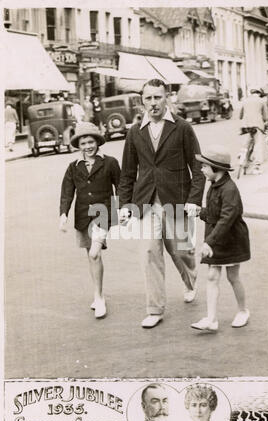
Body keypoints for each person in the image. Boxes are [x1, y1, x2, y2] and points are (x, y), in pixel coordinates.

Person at [117, 78, 205, 329]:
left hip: (177, 199)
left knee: (181, 250)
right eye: (148, 98)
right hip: (145, 201)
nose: (153, 103)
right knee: (148, 252)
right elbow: (127, 172)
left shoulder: (183, 128)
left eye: (157, 97)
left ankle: (190, 280)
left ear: (167, 98)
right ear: (141, 101)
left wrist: (194, 200)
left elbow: (197, 167)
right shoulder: (135, 132)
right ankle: (155, 309)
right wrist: (125, 204)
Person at [59, 122, 121, 318]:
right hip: (83, 216)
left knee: (94, 253)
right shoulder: (73, 167)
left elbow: (121, 187)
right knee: (92, 256)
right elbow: (67, 192)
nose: (88, 146)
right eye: (83, 143)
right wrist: (63, 214)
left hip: (103, 213)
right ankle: (98, 294)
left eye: (91, 141)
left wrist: (126, 209)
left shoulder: (110, 162)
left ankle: (100, 298)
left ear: (98, 142)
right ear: (78, 145)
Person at [191, 145, 250, 332]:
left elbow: (227, 219)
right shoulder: (214, 186)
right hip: (217, 239)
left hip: (232, 240)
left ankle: (243, 311)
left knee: (233, 276)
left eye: (204, 167)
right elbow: (215, 214)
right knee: (212, 276)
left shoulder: (229, 189)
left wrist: (209, 242)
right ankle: (211, 319)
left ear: (216, 168)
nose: (201, 170)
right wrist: (200, 212)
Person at [239, 88, 267, 175]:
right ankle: (256, 167)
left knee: (246, 146)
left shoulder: (245, 100)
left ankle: (243, 162)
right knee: (258, 146)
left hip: (246, 127)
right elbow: (265, 116)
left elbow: (240, 116)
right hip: (257, 126)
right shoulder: (261, 101)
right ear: (259, 93)